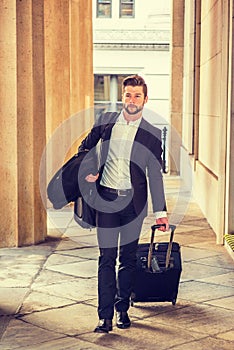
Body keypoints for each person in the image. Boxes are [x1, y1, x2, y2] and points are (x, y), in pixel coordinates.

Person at [78, 75, 169, 333]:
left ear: (145, 99)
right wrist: (90, 169)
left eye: (137, 96)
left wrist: (161, 212)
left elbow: (154, 175)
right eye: (128, 95)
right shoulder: (106, 123)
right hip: (106, 199)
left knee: (127, 259)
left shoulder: (151, 134)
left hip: (133, 205)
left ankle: (122, 309)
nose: (132, 100)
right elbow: (84, 149)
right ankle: (104, 316)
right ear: (122, 97)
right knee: (106, 258)